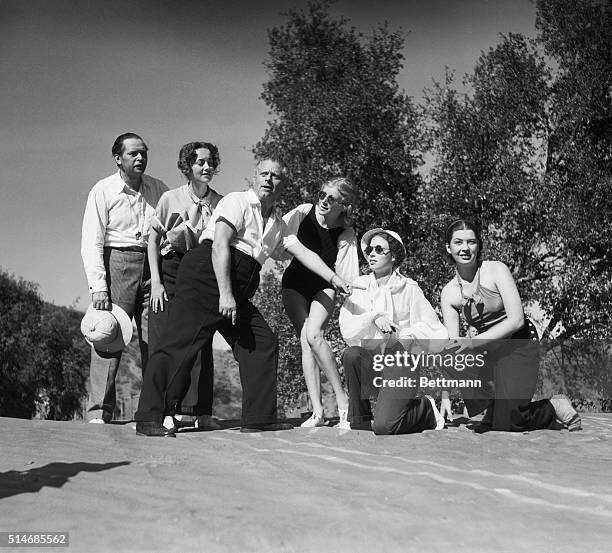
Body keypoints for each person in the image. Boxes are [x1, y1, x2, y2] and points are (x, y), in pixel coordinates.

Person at [134, 159, 359, 437]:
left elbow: (303, 253)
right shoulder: (236, 201)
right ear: (254, 178)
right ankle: (150, 418)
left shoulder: (278, 222)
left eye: (275, 176)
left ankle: (259, 418)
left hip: (239, 284)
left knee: (262, 343)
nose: (268, 179)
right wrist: (225, 293)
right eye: (264, 173)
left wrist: (335, 279)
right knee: (179, 343)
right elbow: (219, 245)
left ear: (282, 184)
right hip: (208, 275)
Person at [440, 219, 582, 432]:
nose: (465, 248)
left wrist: (473, 341)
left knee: (512, 422)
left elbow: (516, 320)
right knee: (448, 351)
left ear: (479, 245)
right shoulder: (449, 292)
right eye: (458, 242)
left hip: (519, 343)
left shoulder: (496, 270)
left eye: (471, 242)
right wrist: (445, 395)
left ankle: (553, 405)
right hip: (488, 348)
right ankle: (493, 407)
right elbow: (452, 347)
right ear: (449, 248)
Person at [81, 132, 168, 423]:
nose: (141, 157)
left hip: (152, 265)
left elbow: (174, 228)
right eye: (133, 153)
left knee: (155, 336)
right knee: (109, 336)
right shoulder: (102, 190)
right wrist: (98, 287)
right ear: (118, 159)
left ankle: (154, 410)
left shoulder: (158, 189)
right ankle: (99, 412)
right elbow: (90, 242)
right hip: (115, 262)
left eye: (144, 152)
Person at [339, 228, 449, 434]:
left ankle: (426, 409)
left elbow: (436, 331)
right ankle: (360, 418)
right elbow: (348, 330)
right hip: (372, 361)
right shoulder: (360, 286)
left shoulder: (409, 288)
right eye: (370, 249)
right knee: (352, 354)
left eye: (379, 249)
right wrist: (375, 317)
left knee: (384, 427)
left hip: (400, 363)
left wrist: (406, 337)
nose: (371, 253)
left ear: (394, 255)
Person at [148, 142, 223, 431]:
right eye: (199, 162)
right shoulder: (170, 198)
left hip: (204, 271)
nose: (206, 167)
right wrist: (156, 282)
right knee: (169, 340)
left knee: (202, 341)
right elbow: (153, 240)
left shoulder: (222, 202)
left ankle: (201, 412)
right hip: (172, 268)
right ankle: (166, 410)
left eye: (210, 162)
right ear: (187, 167)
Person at [281, 178, 359, 428]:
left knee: (315, 336)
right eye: (322, 194)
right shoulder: (304, 212)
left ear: (343, 205)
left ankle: (343, 400)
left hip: (324, 286)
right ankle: (318, 411)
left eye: (331, 198)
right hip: (294, 283)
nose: (324, 200)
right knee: (305, 341)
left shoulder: (346, 233)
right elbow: (277, 240)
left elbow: (347, 274)